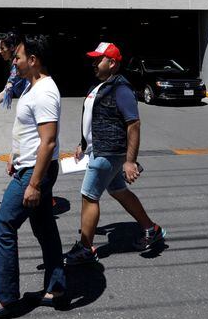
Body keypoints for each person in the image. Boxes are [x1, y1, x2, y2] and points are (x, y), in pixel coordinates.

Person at [0, 35, 67, 319]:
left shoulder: (45, 93)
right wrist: (16, 157)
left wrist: (34, 183)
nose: (14, 61)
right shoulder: (31, 86)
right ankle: (56, 288)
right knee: (45, 227)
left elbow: (48, 143)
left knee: (3, 226)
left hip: (34, 173)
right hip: (28, 167)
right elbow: (29, 133)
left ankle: (7, 299)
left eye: (18, 57)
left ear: (33, 60)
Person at [64, 42, 165, 266]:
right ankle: (151, 229)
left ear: (112, 63)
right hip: (99, 149)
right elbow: (92, 119)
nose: (93, 63)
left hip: (109, 153)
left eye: (98, 59)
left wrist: (130, 161)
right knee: (118, 190)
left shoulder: (121, 89)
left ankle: (85, 248)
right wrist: (83, 143)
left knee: (89, 195)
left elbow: (134, 125)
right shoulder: (99, 85)